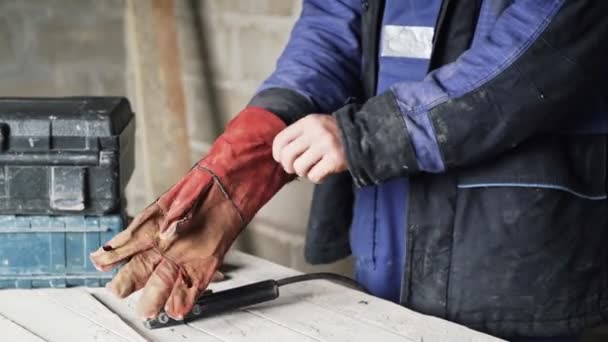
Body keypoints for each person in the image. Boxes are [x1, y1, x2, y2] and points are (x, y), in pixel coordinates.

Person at [90, 1, 608, 341]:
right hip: (389, 236)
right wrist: (241, 169)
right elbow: (332, 28)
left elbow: (537, 53)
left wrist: (367, 135)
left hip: (523, 253)